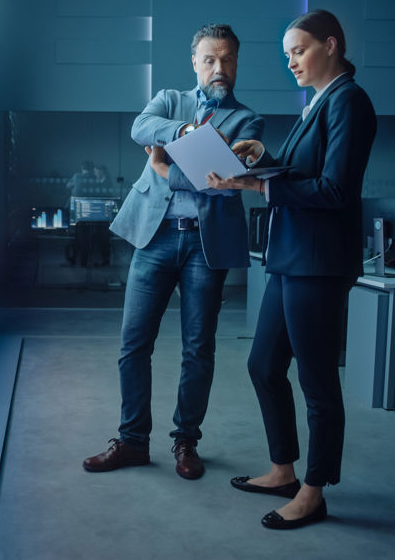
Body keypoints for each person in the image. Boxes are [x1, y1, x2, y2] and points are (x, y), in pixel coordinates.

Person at [206, 10, 376, 529]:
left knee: (318, 382)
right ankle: (283, 467)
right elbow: (302, 171)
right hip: (290, 259)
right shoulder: (319, 103)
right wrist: (261, 157)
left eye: (298, 51)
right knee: (263, 366)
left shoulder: (349, 101)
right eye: (286, 55)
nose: (290, 62)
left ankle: (313, 490)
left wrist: (253, 186)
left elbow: (334, 190)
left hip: (318, 266)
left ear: (331, 45)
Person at [82, 24, 264, 480]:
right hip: (155, 236)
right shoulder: (168, 100)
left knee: (198, 350)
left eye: (227, 60)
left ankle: (186, 441)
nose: (219, 69)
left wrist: (164, 163)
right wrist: (187, 132)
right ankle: (132, 442)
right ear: (195, 62)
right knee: (133, 344)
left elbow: (221, 185)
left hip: (207, 247)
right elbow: (140, 126)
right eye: (209, 60)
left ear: (237, 62)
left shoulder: (248, 122)